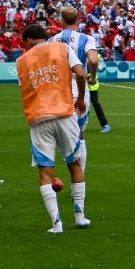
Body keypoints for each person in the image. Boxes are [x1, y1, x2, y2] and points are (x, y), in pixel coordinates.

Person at [16, 24, 91, 233]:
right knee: (74, 164)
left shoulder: (20, 61)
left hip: (38, 117)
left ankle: (56, 224)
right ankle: (80, 216)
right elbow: (80, 73)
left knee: (46, 171)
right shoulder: (62, 48)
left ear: (29, 40)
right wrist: (82, 99)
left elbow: (24, 87)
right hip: (65, 113)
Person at [50, 6, 99, 170]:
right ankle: (79, 177)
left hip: (58, 88)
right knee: (79, 131)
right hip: (78, 86)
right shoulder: (86, 38)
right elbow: (93, 60)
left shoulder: (53, 40)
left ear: (61, 21)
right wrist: (92, 77)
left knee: (60, 129)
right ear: (79, 20)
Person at [88, 54, 112, 133]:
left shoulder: (95, 54)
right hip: (80, 83)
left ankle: (105, 125)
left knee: (96, 104)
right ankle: (75, 126)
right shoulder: (78, 53)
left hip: (91, 85)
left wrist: (93, 74)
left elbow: (102, 64)